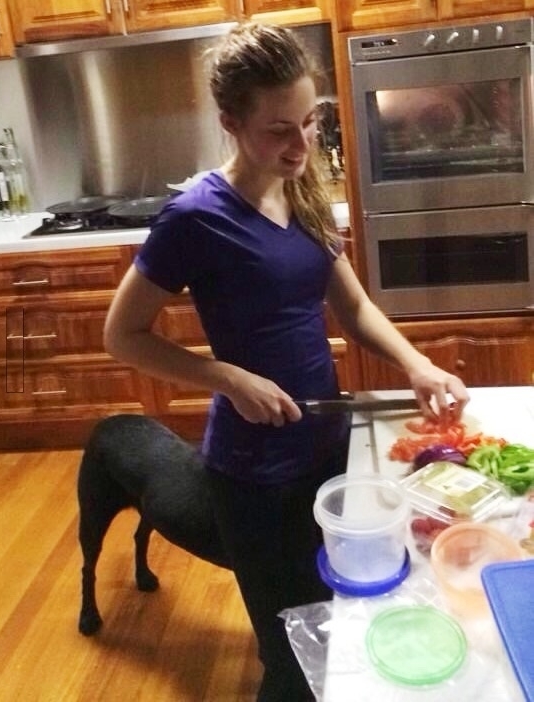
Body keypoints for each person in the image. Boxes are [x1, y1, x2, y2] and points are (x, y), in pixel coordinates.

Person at [103, 22, 470, 702]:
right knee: (288, 651)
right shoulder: (194, 217)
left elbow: (354, 309)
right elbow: (122, 335)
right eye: (279, 129)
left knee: (334, 615)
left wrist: (416, 363)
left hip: (329, 447)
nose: (302, 145)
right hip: (252, 470)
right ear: (231, 124)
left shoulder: (301, 189)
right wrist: (228, 378)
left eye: (310, 121)